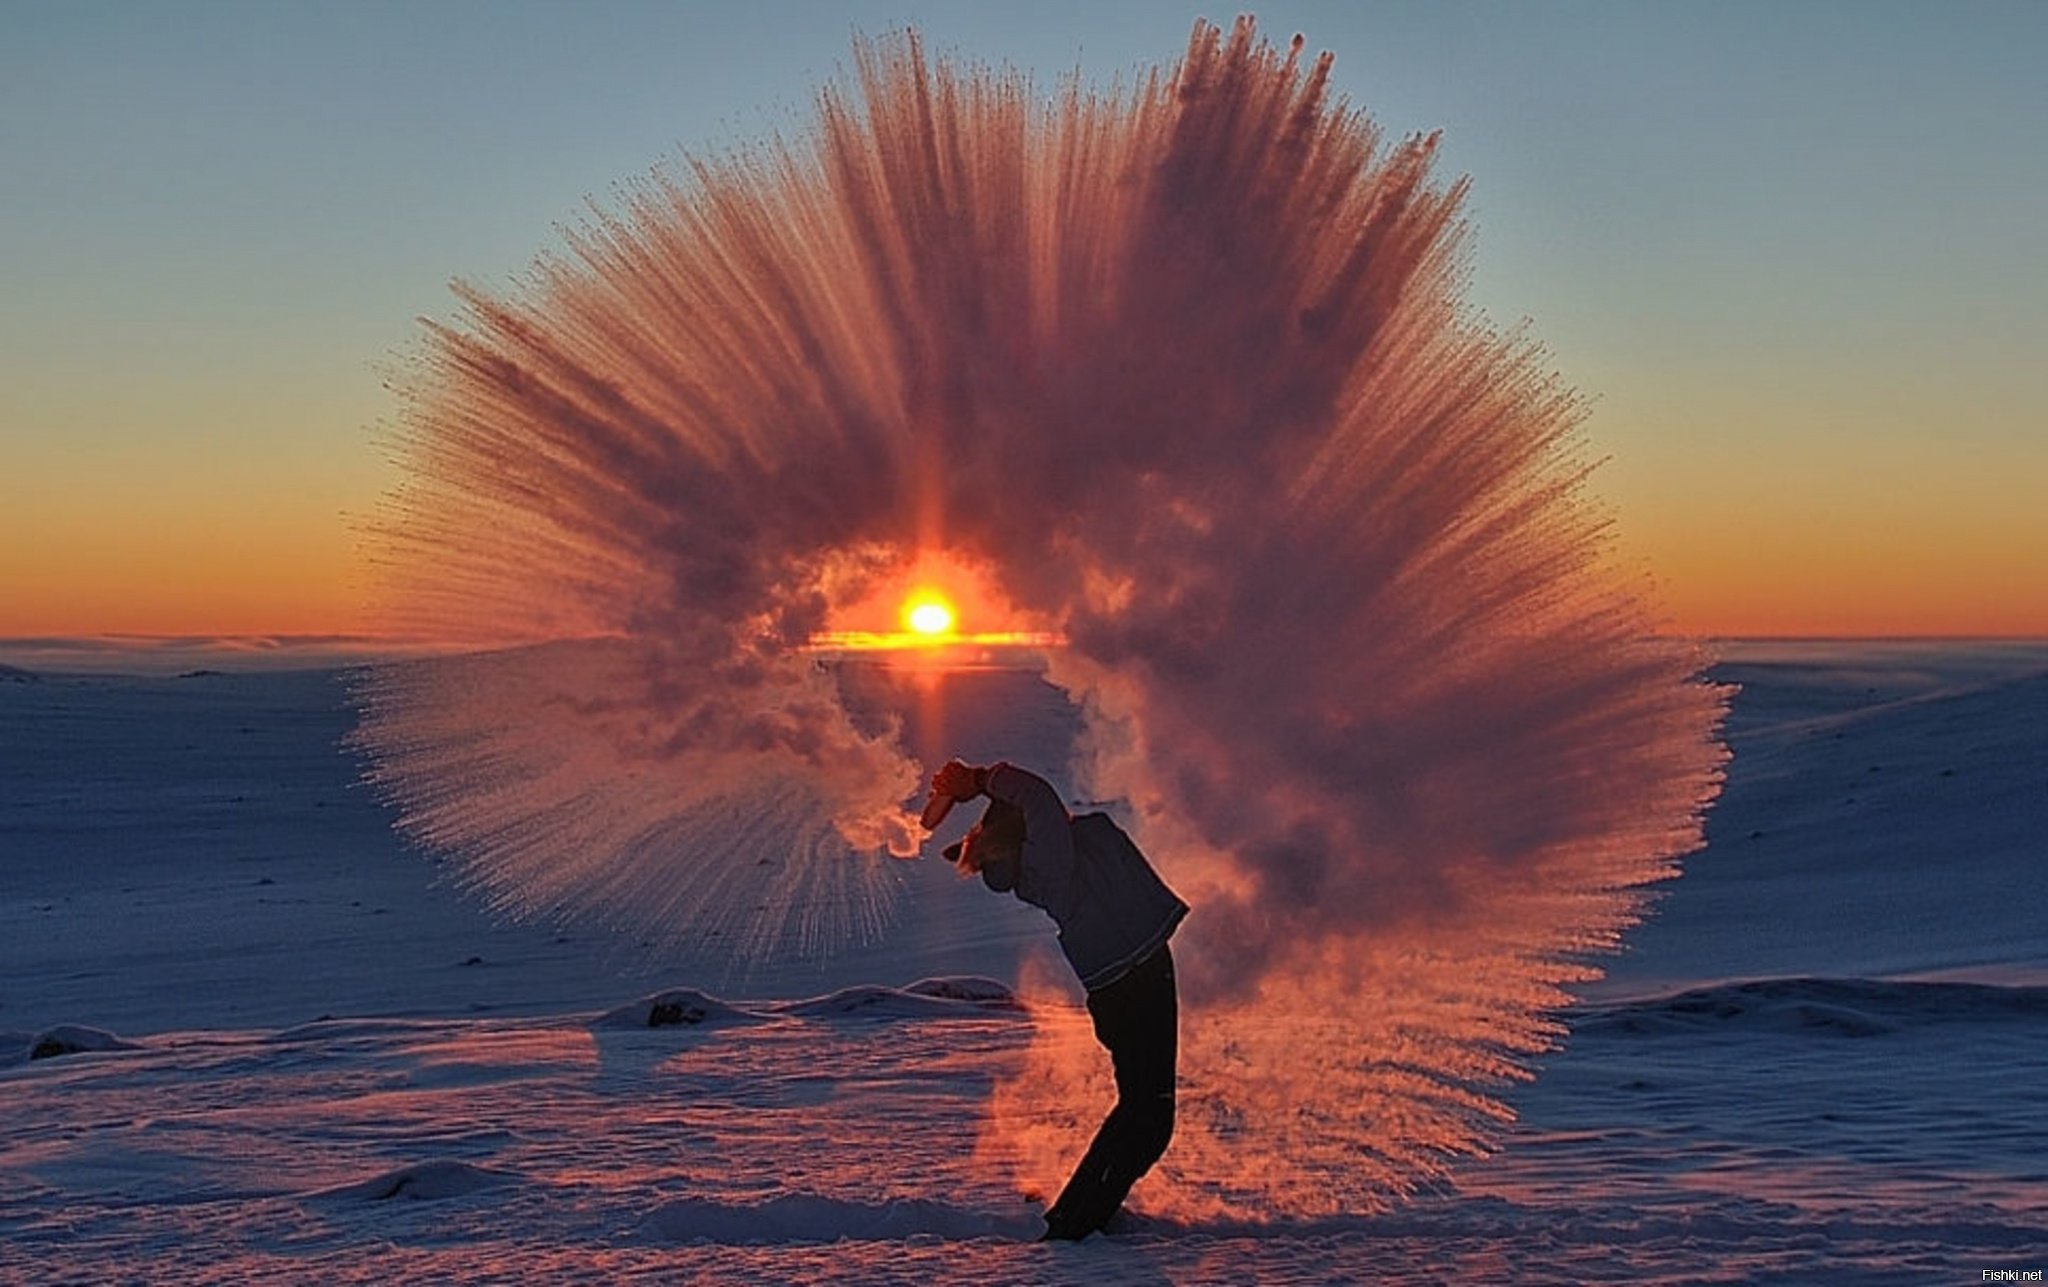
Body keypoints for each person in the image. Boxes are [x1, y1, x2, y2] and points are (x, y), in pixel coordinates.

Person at [923, 758, 1189, 1241]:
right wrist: (979, 780)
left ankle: (1083, 1215)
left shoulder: (1052, 853)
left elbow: (1035, 802)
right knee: (1147, 1117)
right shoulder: (1046, 862)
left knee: (1145, 1114)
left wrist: (978, 790)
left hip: (1135, 974)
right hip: (1131, 981)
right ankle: (1075, 1225)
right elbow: (1039, 796)